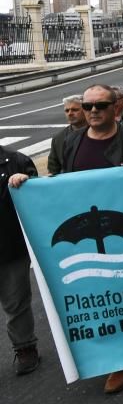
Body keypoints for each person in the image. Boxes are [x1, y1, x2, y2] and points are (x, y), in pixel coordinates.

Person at [61, 84, 123, 393]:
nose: (92, 112)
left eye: (99, 106)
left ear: (115, 107)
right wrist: (26, 184)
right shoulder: (69, 142)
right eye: (87, 106)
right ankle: (118, 360)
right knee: (100, 294)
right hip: (90, 233)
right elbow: (58, 182)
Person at [2, 146, 40, 376]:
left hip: (9, 247)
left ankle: (25, 347)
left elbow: (40, 193)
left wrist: (27, 180)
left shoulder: (15, 160)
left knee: (16, 303)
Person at [48, 95, 87, 175]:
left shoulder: (98, 131)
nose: (70, 113)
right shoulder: (58, 139)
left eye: (75, 110)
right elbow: (53, 170)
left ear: (86, 110)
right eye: (67, 110)